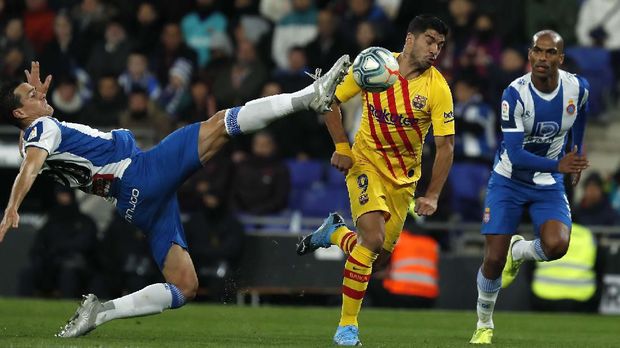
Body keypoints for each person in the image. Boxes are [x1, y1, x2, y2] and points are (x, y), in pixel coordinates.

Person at [0, 55, 351, 337]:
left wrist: (38, 102)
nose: (39, 94)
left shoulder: (33, 135)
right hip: (140, 173)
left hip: (132, 203)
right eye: (30, 97)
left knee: (184, 286)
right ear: (19, 114)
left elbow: (30, 150)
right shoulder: (41, 131)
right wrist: (12, 207)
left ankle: (101, 312)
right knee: (220, 123)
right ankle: (310, 95)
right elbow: (29, 167)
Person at [296, 15, 454, 346]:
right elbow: (330, 100)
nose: (435, 49)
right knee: (372, 239)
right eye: (430, 40)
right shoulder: (373, 64)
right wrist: (342, 146)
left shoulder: (437, 88)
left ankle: (336, 233)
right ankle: (346, 326)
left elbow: (445, 145)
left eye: (440, 44)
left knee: (375, 257)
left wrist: (433, 195)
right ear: (410, 39)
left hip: (403, 181)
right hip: (366, 162)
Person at [469, 30, 590, 345]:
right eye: (538, 51)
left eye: (551, 53)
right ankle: (484, 324)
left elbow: (581, 115)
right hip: (509, 180)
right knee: (493, 261)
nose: (543, 58)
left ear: (560, 59)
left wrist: (577, 151)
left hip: (547, 183)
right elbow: (517, 154)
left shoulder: (577, 87)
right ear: (530, 54)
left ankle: (519, 250)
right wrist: (559, 165)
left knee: (557, 246)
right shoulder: (514, 94)